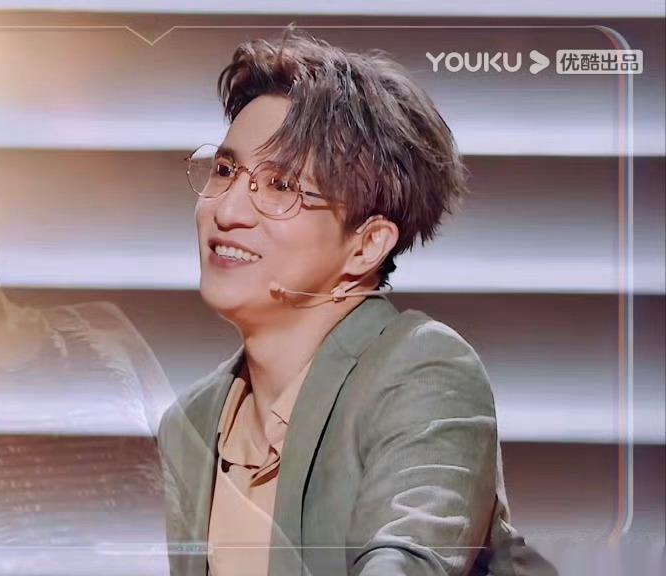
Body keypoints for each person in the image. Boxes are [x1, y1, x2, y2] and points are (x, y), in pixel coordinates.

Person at [157, 29, 558, 576]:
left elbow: (409, 560)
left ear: (367, 244)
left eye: (281, 186)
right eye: (225, 171)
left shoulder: (422, 371)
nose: (227, 211)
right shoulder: (192, 423)